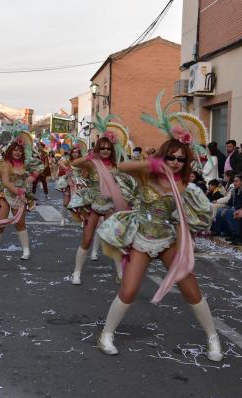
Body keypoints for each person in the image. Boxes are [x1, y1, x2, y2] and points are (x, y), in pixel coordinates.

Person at [96, 94, 223, 362]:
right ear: (164, 155)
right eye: (172, 157)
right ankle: (106, 334)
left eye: (181, 158)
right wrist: (151, 162)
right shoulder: (147, 173)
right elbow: (121, 166)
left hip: (166, 238)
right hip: (141, 237)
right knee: (129, 291)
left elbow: (197, 216)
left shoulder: (184, 186)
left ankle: (213, 338)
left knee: (190, 288)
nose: (176, 162)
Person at [68, 116, 136, 285]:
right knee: (87, 239)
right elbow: (75, 164)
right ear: (98, 148)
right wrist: (89, 157)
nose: (105, 150)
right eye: (102, 148)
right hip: (93, 205)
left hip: (111, 206)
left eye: (108, 148)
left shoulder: (116, 166)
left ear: (112, 150)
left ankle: (120, 274)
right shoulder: (92, 164)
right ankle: (76, 273)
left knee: (114, 239)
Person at [0, 132, 43, 260]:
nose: (17, 152)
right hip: (5, 193)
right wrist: (18, 191)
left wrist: (32, 177)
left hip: (20, 196)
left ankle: (26, 250)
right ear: (10, 151)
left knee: (20, 223)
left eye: (20, 150)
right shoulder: (6, 164)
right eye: (15, 150)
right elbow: (5, 182)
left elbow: (39, 168)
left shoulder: (25, 164)